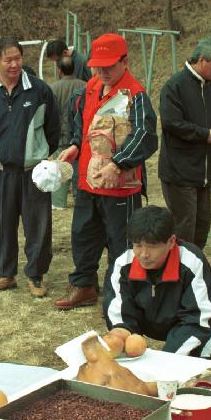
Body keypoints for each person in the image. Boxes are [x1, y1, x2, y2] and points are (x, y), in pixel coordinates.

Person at [54, 33, 158, 313]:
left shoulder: (135, 95)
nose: (102, 72)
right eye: (97, 66)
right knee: (83, 235)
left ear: (125, 61)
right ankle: (84, 285)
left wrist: (118, 163)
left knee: (120, 243)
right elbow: (83, 126)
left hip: (120, 186)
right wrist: (75, 146)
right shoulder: (90, 87)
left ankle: (119, 294)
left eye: (108, 66)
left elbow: (146, 136)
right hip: (88, 181)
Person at [0, 37, 60, 297]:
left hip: (34, 172)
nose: (14, 64)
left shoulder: (39, 90)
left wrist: (42, 155)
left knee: (39, 226)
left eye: (17, 58)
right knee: (4, 224)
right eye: (7, 59)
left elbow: (53, 129)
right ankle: (5, 274)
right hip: (1, 172)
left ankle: (35, 275)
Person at [107, 206, 211, 357]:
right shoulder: (123, 264)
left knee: (185, 369)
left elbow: (198, 318)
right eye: (138, 245)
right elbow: (121, 314)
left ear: (171, 242)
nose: (144, 254)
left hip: (205, 319)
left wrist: (168, 360)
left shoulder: (191, 262)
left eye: (152, 247)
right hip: (155, 319)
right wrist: (120, 337)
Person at [158, 36, 211, 250]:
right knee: (184, 226)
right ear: (202, 60)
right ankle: (178, 270)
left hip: (203, 171)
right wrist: (204, 135)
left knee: (202, 224)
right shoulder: (174, 87)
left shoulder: (207, 86)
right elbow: (172, 123)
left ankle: (194, 264)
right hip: (179, 172)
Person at [49, 56, 86, 210]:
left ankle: (58, 202)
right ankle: (80, 198)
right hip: (80, 133)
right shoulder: (85, 86)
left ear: (59, 70)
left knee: (60, 167)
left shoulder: (54, 88)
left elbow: (51, 113)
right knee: (79, 166)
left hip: (62, 134)